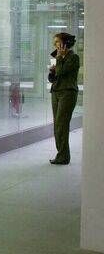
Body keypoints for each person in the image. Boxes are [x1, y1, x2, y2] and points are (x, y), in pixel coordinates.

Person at [48, 32, 80, 165]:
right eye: (54, 42)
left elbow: (61, 72)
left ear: (65, 43)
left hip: (67, 93)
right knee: (57, 125)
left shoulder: (74, 57)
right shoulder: (58, 57)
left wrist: (59, 59)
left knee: (62, 125)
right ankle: (62, 154)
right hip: (56, 92)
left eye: (57, 42)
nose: (55, 45)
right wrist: (51, 71)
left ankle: (63, 156)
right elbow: (52, 78)